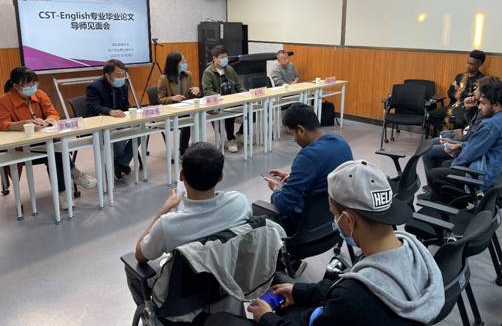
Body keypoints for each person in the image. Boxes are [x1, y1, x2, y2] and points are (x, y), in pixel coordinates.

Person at [247, 160, 445, 326]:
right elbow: (345, 286)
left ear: (348, 221)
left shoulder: (352, 298)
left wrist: (266, 318)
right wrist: (299, 292)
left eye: (334, 214)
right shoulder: (413, 250)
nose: (335, 221)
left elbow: (347, 297)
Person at [127, 142, 252, 305]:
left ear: (181, 176)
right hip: (226, 283)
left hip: (182, 301)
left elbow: (139, 254)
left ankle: (148, 312)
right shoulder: (240, 202)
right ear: (221, 176)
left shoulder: (168, 225)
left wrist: (164, 210)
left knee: (131, 268)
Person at [0, 67, 96, 210]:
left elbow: (54, 114)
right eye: (27, 84)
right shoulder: (4, 101)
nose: (32, 87)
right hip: (23, 148)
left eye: (33, 83)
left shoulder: (40, 94)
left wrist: (47, 121)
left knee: (56, 150)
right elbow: (3, 124)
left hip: (47, 141)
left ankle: (63, 193)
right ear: (15, 86)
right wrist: (24, 124)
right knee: (57, 150)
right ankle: (74, 174)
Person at [425, 78, 502, 203]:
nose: (479, 107)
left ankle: (446, 206)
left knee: (434, 174)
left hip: (488, 179)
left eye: (482, 103)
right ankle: (450, 200)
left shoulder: (491, 124)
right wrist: (461, 146)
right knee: (445, 166)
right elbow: (480, 144)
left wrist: (454, 164)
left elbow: (468, 155)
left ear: (496, 104)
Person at [261, 103, 352, 233]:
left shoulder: (307, 157)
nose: (294, 139)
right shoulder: (342, 144)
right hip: (334, 225)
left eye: (293, 134)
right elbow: (324, 179)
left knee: (259, 213)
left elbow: (284, 204)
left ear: (301, 130)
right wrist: (295, 178)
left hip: (304, 230)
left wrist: (276, 189)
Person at [85, 59, 135, 179]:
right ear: (107, 75)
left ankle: (121, 163)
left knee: (142, 129)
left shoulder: (123, 86)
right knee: (118, 133)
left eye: (123, 75)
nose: (122, 78)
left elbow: (125, 105)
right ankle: (119, 163)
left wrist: (133, 112)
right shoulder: (94, 87)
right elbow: (93, 106)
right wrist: (109, 111)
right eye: (118, 75)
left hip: (119, 121)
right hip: (100, 124)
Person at [201, 45, 246, 153]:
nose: (225, 59)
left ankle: (240, 133)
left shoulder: (229, 69)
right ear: (214, 58)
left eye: (226, 57)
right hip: (217, 103)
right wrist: (220, 98)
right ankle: (230, 139)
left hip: (232, 100)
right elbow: (207, 91)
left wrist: (246, 94)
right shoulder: (208, 72)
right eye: (222, 57)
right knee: (228, 113)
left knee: (252, 109)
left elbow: (238, 86)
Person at [428, 50, 486, 132]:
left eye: (472, 64)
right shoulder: (460, 77)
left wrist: (460, 92)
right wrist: (465, 94)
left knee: (459, 122)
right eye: (468, 62)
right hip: (453, 106)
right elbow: (450, 92)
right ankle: (445, 133)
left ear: (480, 64)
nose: (468, 66)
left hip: (466, 108)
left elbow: (476, 98)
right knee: (430, 115)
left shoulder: (482, 80)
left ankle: (452, 134)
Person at [157, 51, 201, 156]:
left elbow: (192, 95)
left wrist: (197, 90)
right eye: (182, 62)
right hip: (171, 112)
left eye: (185, 61)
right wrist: (172, 98)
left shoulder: (187, 75)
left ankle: (195, 148)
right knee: (189, 119)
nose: (185, 63)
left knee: (196, 117)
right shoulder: (164, 79)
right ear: (174, 64)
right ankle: (183, 150)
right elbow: (160, 99)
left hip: (185, 109)